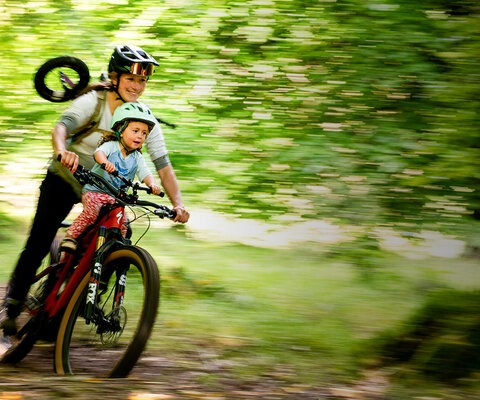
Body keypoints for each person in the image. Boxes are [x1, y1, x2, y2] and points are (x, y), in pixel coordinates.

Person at [1, 45, 189, 336]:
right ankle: (13, 304)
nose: (137, 86)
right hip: (66, 177)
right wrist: (62, 151)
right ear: (114, 77)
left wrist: (178, 203)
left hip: (103, 188)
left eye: (142, 81)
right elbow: (61, 127)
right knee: (40, 239)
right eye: (131, 79)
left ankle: (75, 304)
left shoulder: (141, 118)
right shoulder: (94, 101)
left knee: (115, 242)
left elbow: (163, 165)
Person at [59, 102, 162, 259]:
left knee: (123, 226)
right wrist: (105, 162)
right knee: (92, 212)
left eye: (144, 133)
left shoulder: (137, 157)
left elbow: (145, 172)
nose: (140, 136)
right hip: (95, 191)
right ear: (121, 130)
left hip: (115, 198)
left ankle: (113, 253)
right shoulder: (111, 146)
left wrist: (152, 184)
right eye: (135, 131)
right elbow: (99, 153)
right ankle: (71, 236)